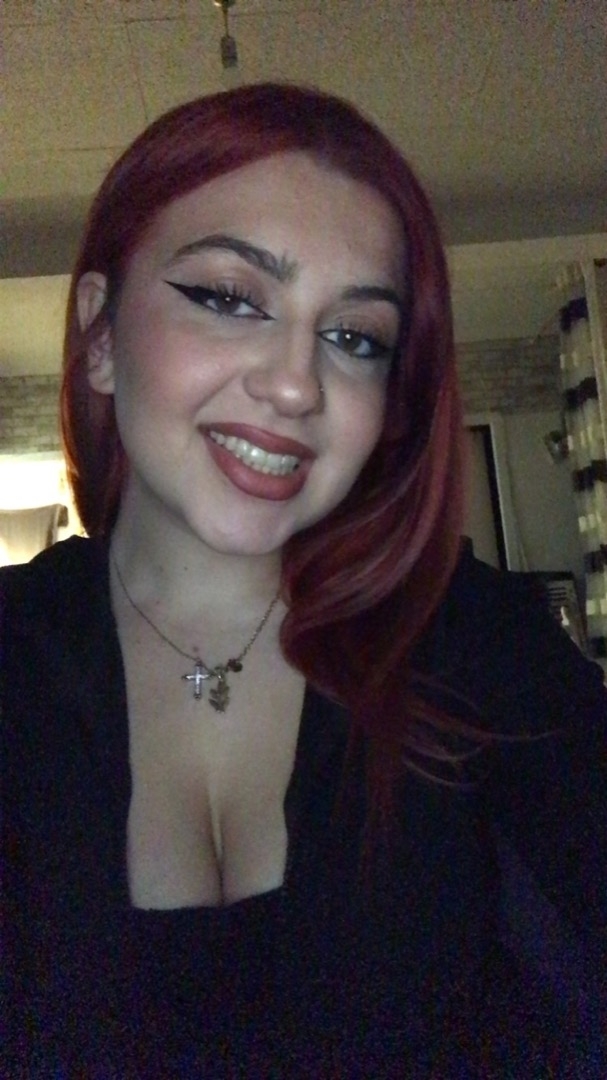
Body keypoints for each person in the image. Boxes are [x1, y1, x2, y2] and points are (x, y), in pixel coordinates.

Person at [1, 82, 605, 1077]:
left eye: (353, 338)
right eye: (228, 298)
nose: (294, 384)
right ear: (101, 336)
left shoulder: (471, 637)